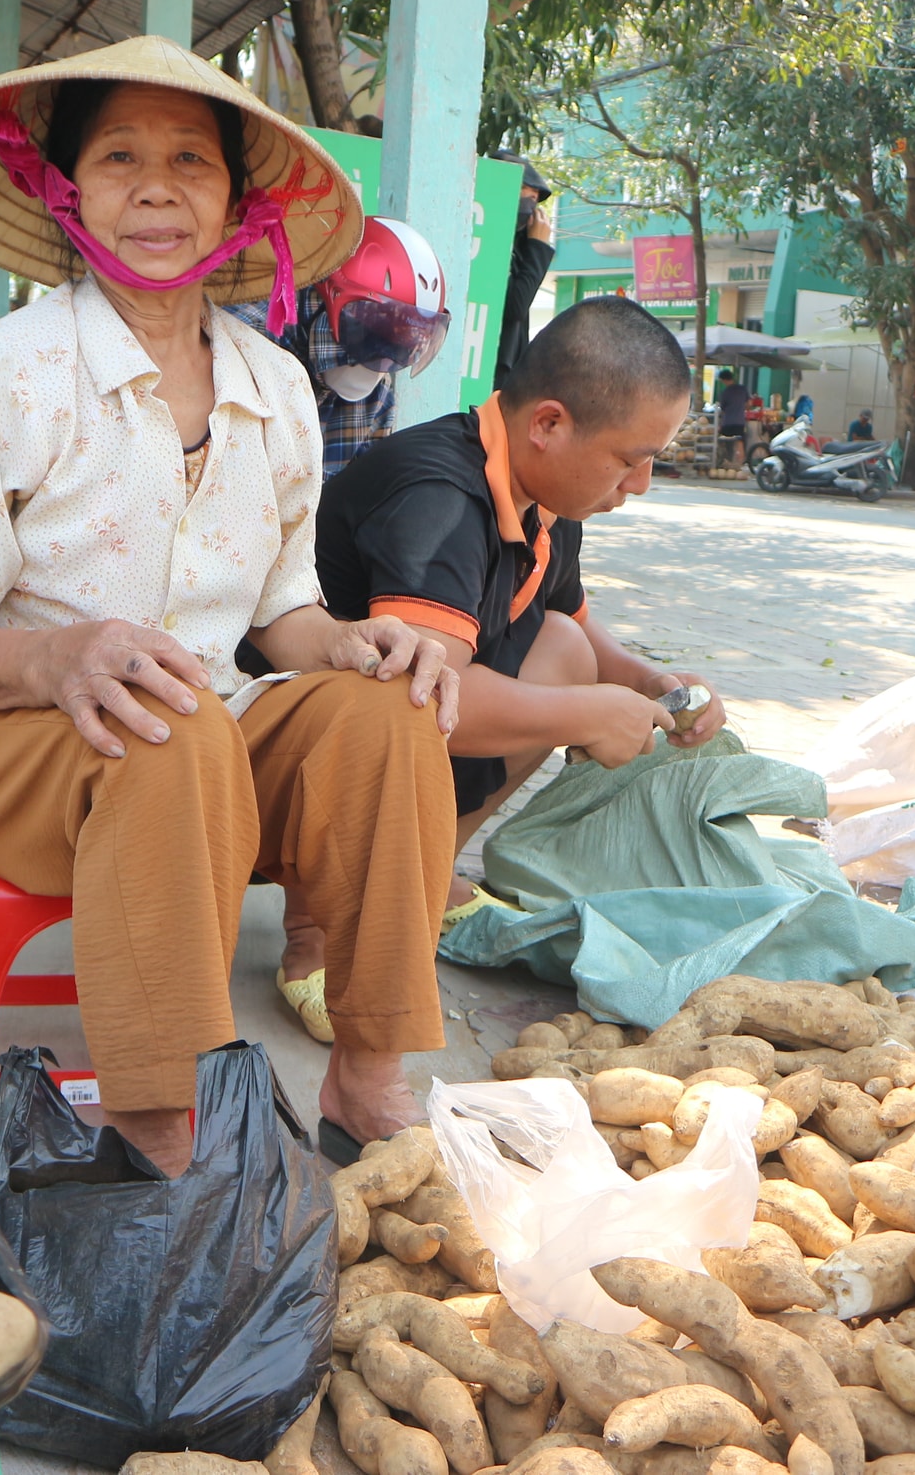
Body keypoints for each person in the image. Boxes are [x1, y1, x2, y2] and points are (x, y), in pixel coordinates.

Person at [0, 35, 460, 1174]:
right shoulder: (10, 369)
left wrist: (359, 642)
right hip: (5, 738)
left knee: (389, 716)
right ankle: (160, 1127)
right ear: (65, 190)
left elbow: (284, 614)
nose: (156, 188)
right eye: (118, 157)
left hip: (205, 736)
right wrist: (56, 658)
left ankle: (368, 1074)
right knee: (169, 723)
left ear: (240, 205)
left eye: (190, 160)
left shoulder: (277, 386)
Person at [288, 295, 731, 990]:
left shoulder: (551, 497)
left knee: (567, 651)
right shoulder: (438, 497)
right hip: (302, 748)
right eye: (630, 459)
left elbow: (575, 624)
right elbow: (419, 695)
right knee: (528, 696)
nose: (641, 485)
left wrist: (648, 682)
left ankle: (429, 878)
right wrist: (590, 715)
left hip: (397, 735)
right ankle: (314, 934)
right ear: (548, 424)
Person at [231, 215, 451, 477]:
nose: (382, 359)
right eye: (374, 336)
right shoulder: (249, 343)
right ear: (331, 296)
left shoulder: (377, 401)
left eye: (399, 347)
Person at [492, 153, 557, 391]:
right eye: (522, 190)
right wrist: (537, 249)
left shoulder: (518, 245)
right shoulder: (488, 238)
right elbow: (515, 306)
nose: (531, 205)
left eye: (534, 199)